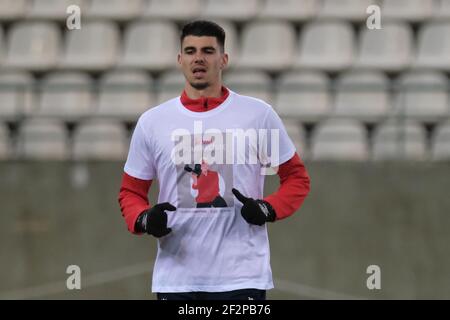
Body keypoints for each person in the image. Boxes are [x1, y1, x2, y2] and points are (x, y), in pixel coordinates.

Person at [118, 20, 310, 300]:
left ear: (224, 59)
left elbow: (296, 178)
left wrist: (269, 209)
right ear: (180, 59)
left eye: (208, 50)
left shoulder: (257, 115)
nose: (199, 58)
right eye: (191, 50)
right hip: (176, 280)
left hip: (242, 277)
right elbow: (130, 192)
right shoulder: (152, 123)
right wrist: (144, 219)